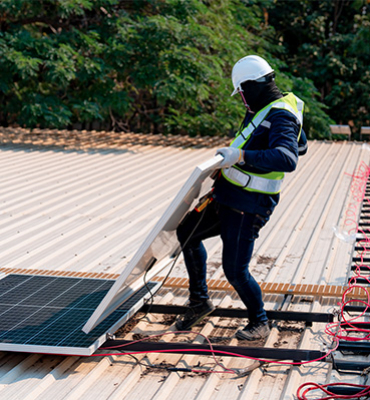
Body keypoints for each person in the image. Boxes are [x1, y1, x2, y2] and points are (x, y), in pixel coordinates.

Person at [175, 55, 308, 340]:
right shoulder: (265, 105)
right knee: (187, 232)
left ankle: (260, 322)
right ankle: (199, 302)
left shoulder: (281, 113)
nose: (242, 100)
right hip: (227, 194)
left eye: (242, 92)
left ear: (252, 85)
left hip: (249, 204)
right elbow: (302, 143)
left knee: (235, 270)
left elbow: (288, 157)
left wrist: (243, 156)